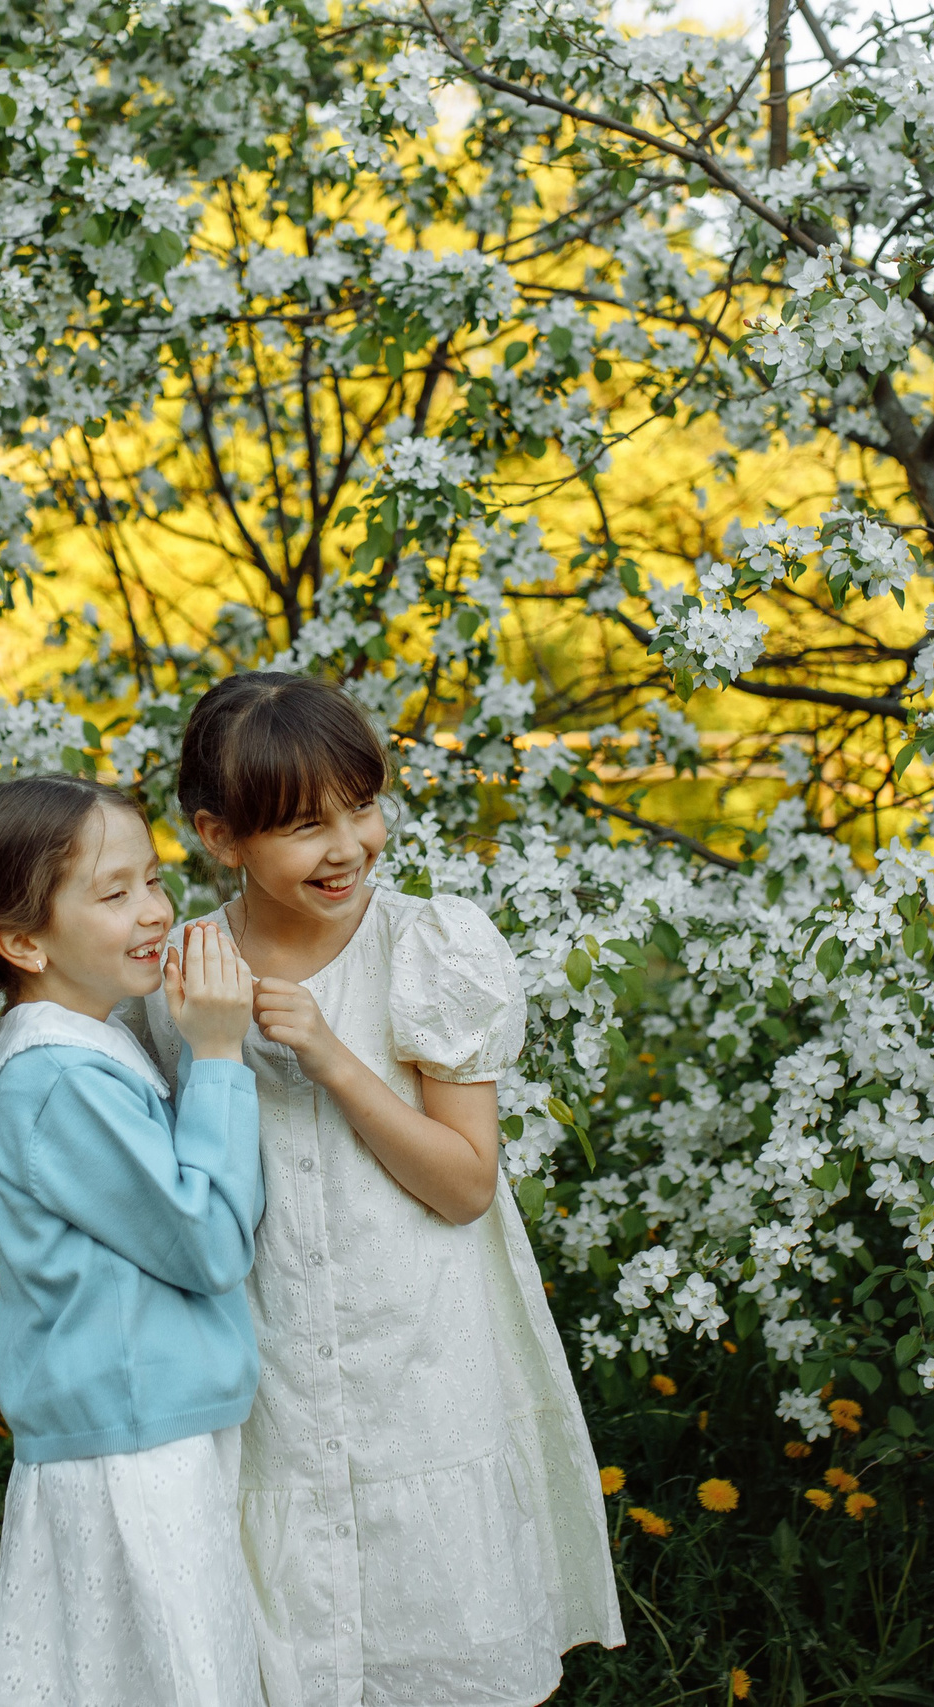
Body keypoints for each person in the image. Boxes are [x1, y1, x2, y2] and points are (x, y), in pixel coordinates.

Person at [128, 672, 622, 1707]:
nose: (347, 845)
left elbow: (464, 1184)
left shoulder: (428, 948)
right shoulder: (182, 976)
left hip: (423, 1366)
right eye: (305, 826)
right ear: (220, 838)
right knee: (283, 1649)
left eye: (362, 806)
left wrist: (332, 1058)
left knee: (434, 1637)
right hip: (268, 1381)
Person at [0, 773, 269, 1707]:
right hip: (134, 1452)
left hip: (145, 1430)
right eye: (113, 893)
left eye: (153, 878)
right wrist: (220, 1055)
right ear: (23, 941)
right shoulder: (58, 1078)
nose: (153, 910)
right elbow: (213, 1243)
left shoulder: (78, 1048)